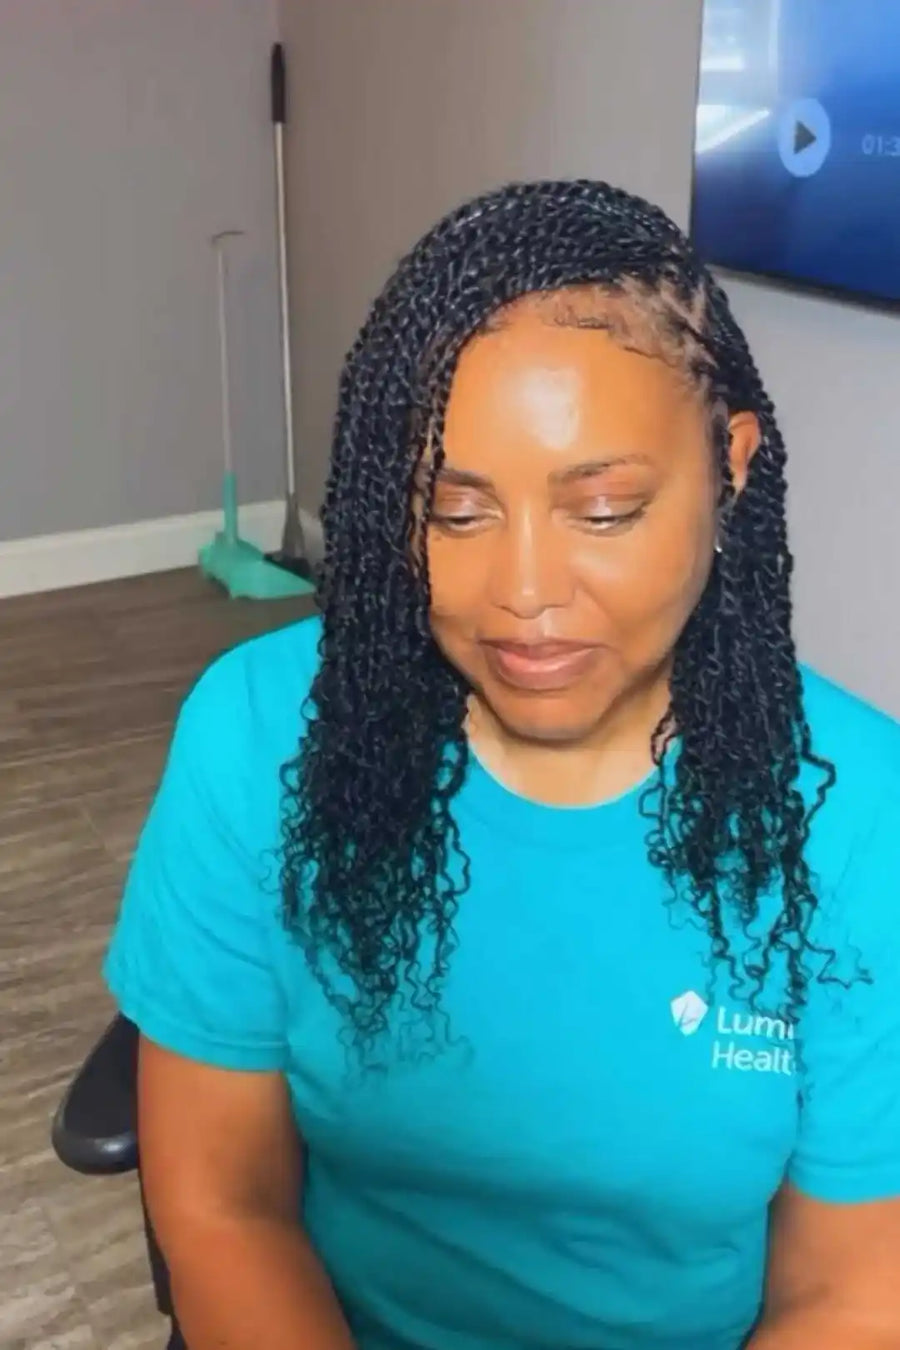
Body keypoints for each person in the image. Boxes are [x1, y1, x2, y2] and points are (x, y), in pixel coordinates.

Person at [104, 180, 900, 1350]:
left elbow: (851, 1291)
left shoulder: (858, 813)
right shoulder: (259, 734)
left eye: (607, 511)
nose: (523, 598)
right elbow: (224, 1203)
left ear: (730, 468)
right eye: (455, 514)